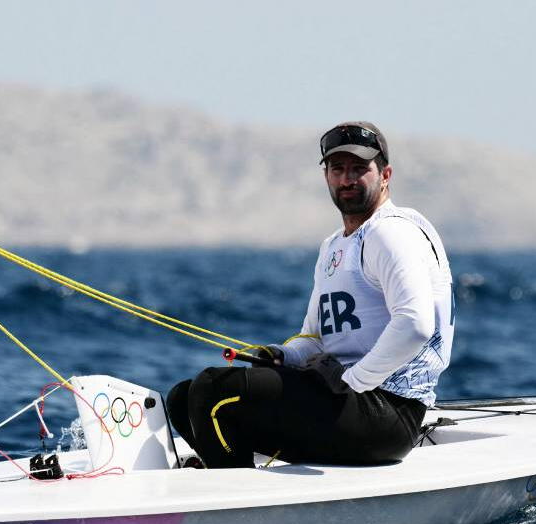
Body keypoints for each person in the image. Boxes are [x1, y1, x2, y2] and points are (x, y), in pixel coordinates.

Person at [167, 121, 454, 468]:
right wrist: (282, 356)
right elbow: (315, 341)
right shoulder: (334, 246)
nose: (347, 179)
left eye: (359, 168)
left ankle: (231, 499)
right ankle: (234, 479)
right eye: (337, 169)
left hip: (387, 414)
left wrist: (353, 380)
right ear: (326, 176)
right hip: (345, 402)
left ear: (386, 174)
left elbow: (415, 326)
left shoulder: (390, 233)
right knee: (183, 398)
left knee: (212, 392)